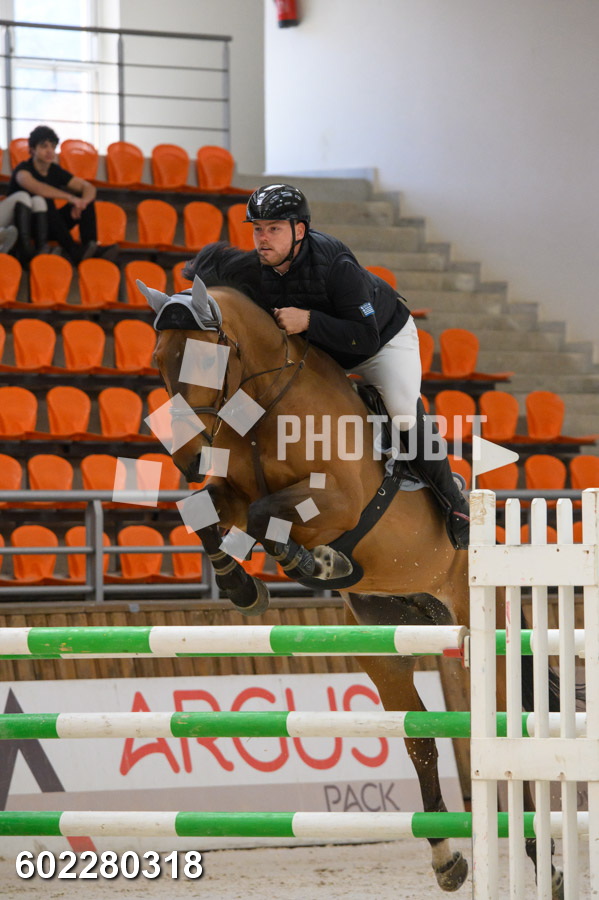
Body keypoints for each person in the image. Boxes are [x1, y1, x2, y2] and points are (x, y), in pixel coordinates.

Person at [242, 183, 470, 549]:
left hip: (381, 342)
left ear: (299, 230)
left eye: (274, 228)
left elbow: (364, 338)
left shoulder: (335, 264)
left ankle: (454, 504)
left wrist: (309, 320)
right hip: (324, 352)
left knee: (402, 412)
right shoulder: (256, 269)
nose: (263, 238)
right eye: (257, 229)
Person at [5, 125, 99, 265]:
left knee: (86, 200)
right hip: (27, 228)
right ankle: (73, 250)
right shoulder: (23, 170)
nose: (49, 151)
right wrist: (71, 198)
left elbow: (89, 187)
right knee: (45, 200)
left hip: (51, 226)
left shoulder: (55, 170)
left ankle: (91, 247)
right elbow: (38, 188)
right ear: (32, 150)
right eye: (44, 146)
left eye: (53, 147)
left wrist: (82, 203)